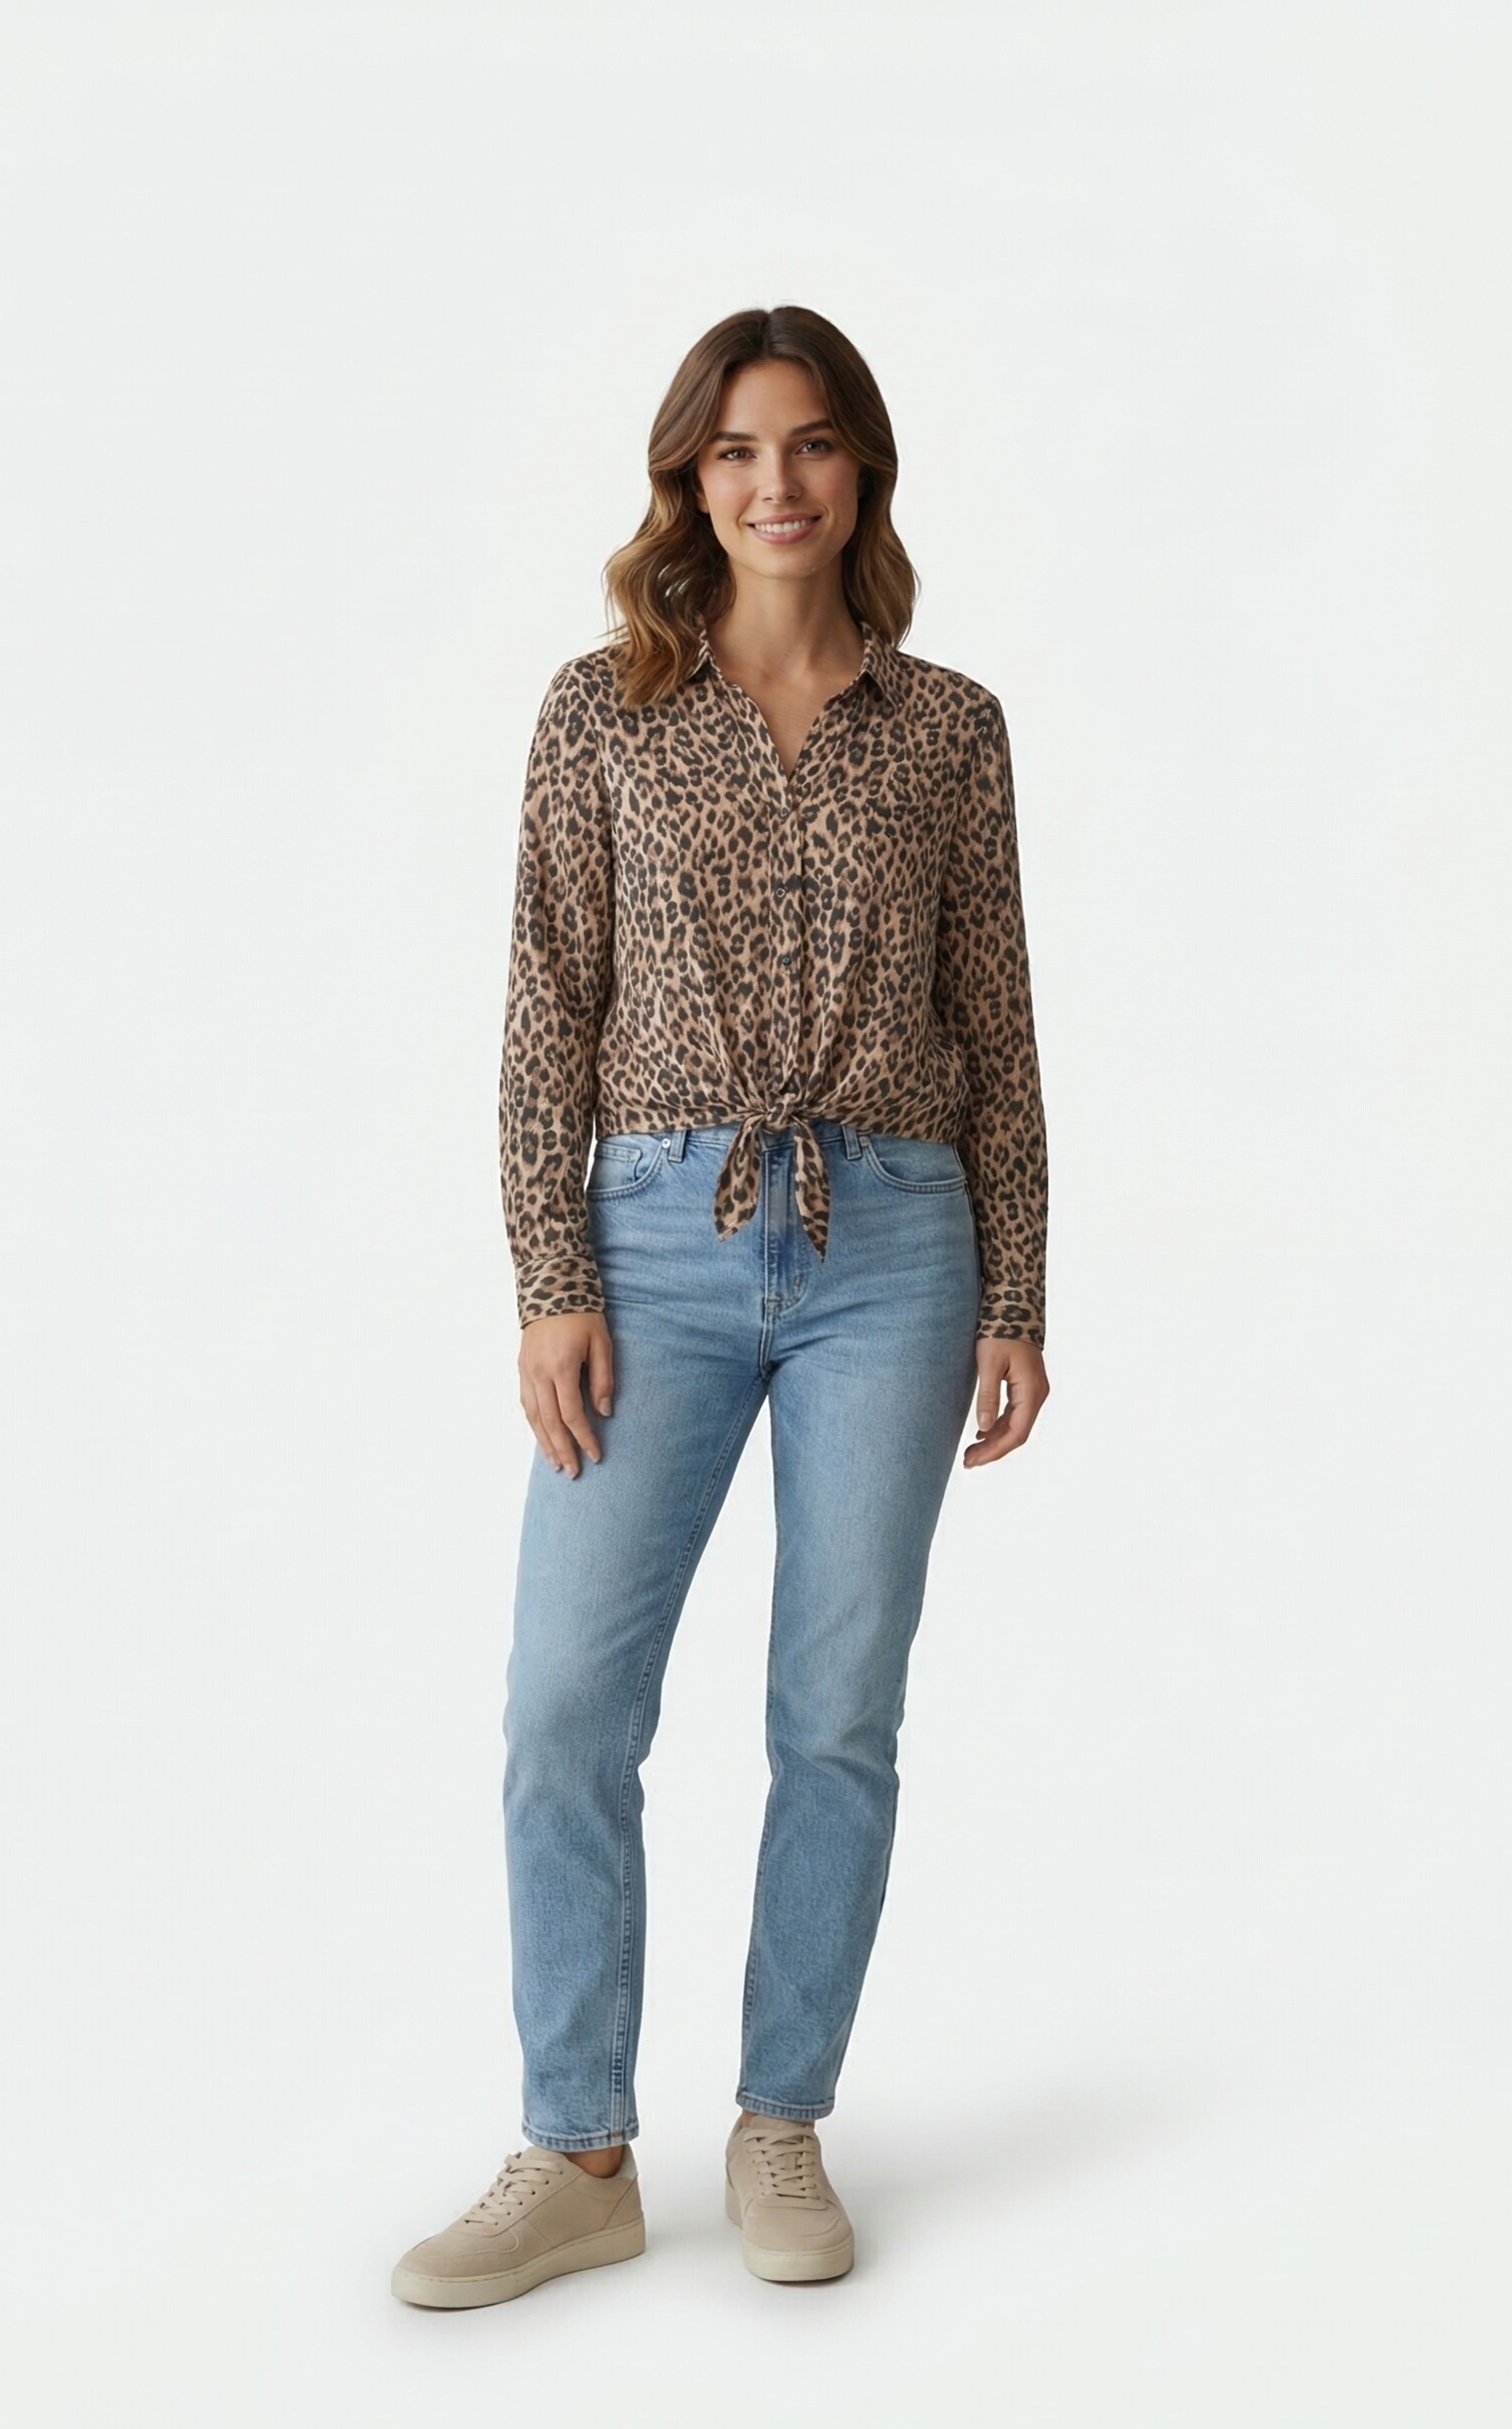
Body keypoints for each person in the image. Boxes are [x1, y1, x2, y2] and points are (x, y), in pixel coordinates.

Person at [393, 305, 1050, 2310]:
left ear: (864, 472)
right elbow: (547, 1004)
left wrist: (1017, 1287)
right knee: (563, 1706)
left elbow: (997, 1023)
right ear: (690, 478)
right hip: (656, 1238)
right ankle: (577, 2151)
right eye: (738, 449)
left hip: (897, 1243)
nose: (777, 483)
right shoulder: (603, 710)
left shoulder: (949, 728)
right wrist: (551, 1277)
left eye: (814, 443)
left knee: (835, 1713)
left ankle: (782, 2120)